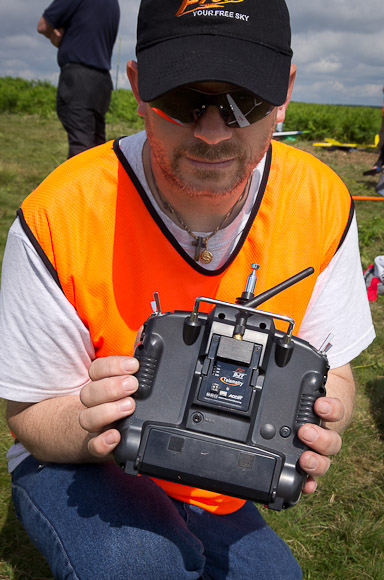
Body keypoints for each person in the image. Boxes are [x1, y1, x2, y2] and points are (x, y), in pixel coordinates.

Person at [0, 1, 375, 578]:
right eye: (181, 100)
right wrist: (90, 420)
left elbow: (337, 371)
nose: (212, 132)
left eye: (242, 100)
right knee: (142, 564)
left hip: (222, 474)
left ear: (284, 97)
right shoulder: (59, 215)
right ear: (137, 88)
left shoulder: (321, 204)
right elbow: (28, 415)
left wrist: (326, 417)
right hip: (80, 465)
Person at [37, 0, 120, 158]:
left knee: (81, 148)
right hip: (102, 82)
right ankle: (98, 182)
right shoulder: (113, 3)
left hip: (79, 79)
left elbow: (43, 25)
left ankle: (81, 183)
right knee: (96, 146)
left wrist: (55, 36)